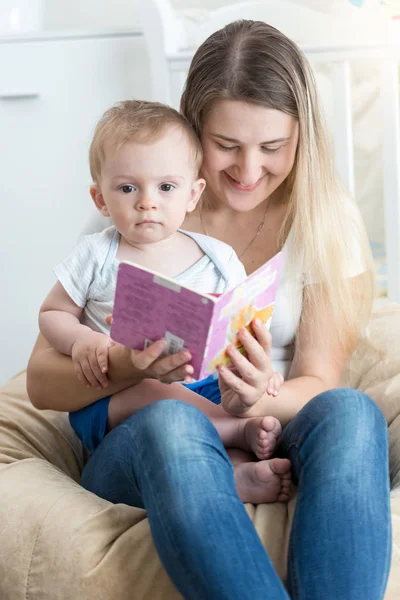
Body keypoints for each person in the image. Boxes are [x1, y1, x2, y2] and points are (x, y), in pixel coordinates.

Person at [27, 19, 391, 600]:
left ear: (303, 136)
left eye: (272, 148)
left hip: (268, 418)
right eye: (226, 146)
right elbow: (42, 383)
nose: (248, 172)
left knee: (351, 411)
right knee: (176, 422)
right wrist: (128, 364)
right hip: (144, 433)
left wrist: (259, 397)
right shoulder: (133, 213)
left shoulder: (325, 221)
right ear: (194, 130)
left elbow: (317, 380)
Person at [38, 99, 291, 504]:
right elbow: (53, 313)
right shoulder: (96, 254)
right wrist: (80, 341)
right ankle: (234, 432)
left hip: (204, 386)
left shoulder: (218, 258)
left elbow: (246, 324)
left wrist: (258, 367)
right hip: (120, 398)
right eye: (127, 188)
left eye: (166, 187)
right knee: (155, 390)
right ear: (100, 198)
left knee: (227, 398)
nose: (147, 202)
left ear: (193, 195)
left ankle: (239, 472)